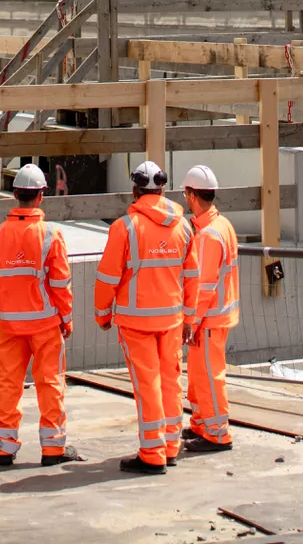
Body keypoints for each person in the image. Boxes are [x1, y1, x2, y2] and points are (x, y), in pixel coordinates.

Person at [93, 160, 200, 475]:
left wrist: (102, 314)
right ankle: (169, 445)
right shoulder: (183, 226)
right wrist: (189, 319)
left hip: (136, 322)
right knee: (169, 381)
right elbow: (192, 277)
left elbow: (108, 278)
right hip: (172, 320)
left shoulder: (125, 228)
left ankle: (152, 454)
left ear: (135, 190)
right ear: (163, 189)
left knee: (148, 385)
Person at [0, 164, 83, 467]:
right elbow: (60, 283)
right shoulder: (51, 235)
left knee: (8, 384)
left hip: (10, 325)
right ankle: (53, 449)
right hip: (45, 325)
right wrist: (66, 318)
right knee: (50, 384)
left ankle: (4, 447)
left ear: (15, 194)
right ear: (41, 196)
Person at [181, 165, 240, 453]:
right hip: (218, 315)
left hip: (209, 319)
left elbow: (204, 286)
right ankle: (202, 423)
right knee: (199, 374)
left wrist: (191, 321)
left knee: (208, 376)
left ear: (192, 195)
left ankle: (217, 433)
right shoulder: (222, 226)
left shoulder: (208, 236)